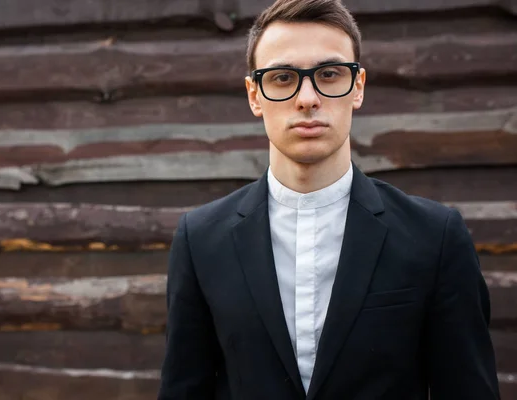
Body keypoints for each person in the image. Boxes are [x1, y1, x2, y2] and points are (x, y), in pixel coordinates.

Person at [157, 0, 500, 398]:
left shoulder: (436, 237)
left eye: (329, 74)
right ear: (254, 95)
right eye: (283, 77)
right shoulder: (200, 240)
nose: (307, 98)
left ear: (358, 87)